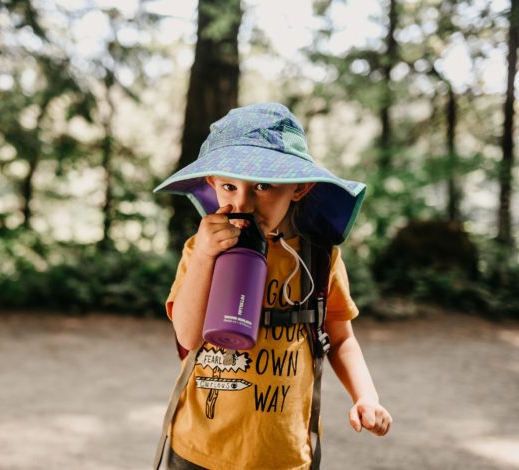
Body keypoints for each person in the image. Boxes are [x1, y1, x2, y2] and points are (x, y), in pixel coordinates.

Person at [153, 103, 392, 470]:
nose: (243, 203)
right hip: (199, 449)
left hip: (283, 454)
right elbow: (188, 337)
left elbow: (341, 339)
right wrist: (203, 257)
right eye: (230, 185)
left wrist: (367, 395)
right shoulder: (201, 250)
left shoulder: (318, 259)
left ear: (299, 188)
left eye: (264, 185)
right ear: (212, 184)